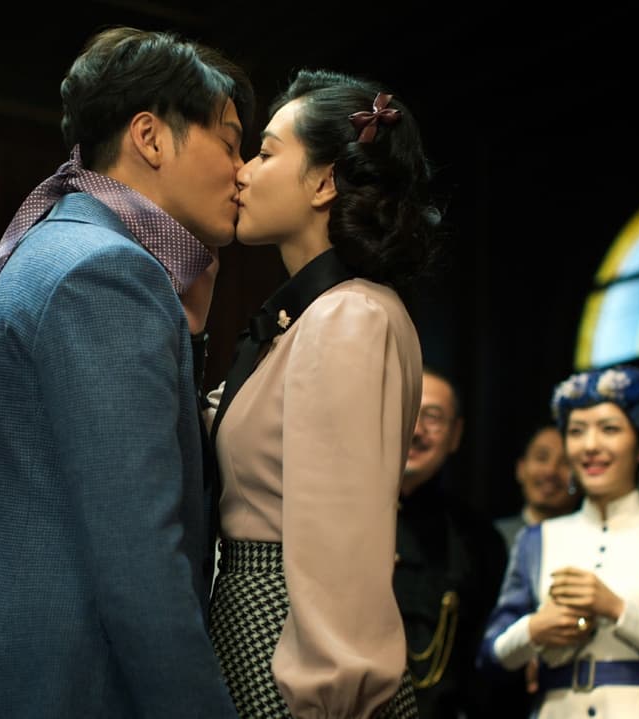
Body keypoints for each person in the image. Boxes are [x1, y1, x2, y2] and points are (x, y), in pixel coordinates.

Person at [0, 26, 253, 718]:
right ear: (150, 138)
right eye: (229, 142)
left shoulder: (56, 243)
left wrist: (189, 331)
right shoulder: (109, 273)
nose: (243, 170)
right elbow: (140, 557)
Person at [207, 68, 441, 718]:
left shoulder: (349, 316)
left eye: (265, 152)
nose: (243, 172)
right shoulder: (314, 318)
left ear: (323, 182)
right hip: (268, 625)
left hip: (291, 642)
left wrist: (331, 694)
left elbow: (343, 543)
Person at [478, 365, 639, 718]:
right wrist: (534, 629)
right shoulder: (535, 539)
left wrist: (617, 610)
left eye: (609, 429)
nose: (591, 445)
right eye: (576, 431)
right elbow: (489, 659)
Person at [395, 366, 516, 718]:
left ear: (456, 435)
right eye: (406, 411)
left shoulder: (479, 539)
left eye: (433, 417)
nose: (417, 429)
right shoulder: (340, 517)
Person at [494, 424, 577, 554]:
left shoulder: (592, 543)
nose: (550, 471)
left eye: (565, 462)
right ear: (521, 468)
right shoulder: (492, 538)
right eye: (541, 458)